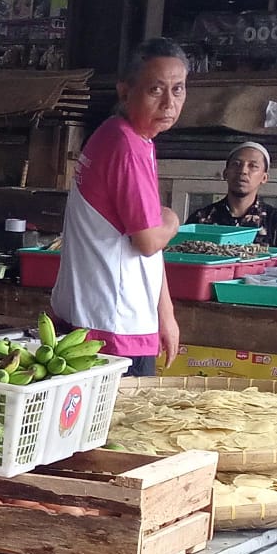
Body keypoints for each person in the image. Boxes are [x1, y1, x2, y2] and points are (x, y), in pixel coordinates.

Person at [51, 38, 187, 377]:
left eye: (178, 89)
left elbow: (147, 235)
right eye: (156, 90)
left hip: (98, 317)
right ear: (125, 92)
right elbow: (149, 241)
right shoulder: (125, 146)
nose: (169, 103)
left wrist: (165, 313)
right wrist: (173, 219)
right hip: (113, 329)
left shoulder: (129, 138)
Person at [189, 142, 277, 250]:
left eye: (253, 166)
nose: (243, 171)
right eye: (236, 164)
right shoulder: (201, 218)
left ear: (264, 178)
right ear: (225, 173)